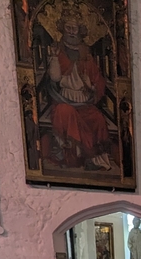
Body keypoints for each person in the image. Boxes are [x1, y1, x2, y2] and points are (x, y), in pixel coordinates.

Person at [47, 7, 112, 171]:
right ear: (62, 28)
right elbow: (53, 79)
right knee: (65, 112)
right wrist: (54, 58)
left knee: (97, 118)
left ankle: (95, 158)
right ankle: (74, 157)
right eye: (67, 27)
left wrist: (92, 90)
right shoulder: (57, 50)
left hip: (83, 102)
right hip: (63, 101)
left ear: (80, 31)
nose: (70, 32)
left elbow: (97, 78)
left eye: (74, 28)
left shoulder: (85, 53)